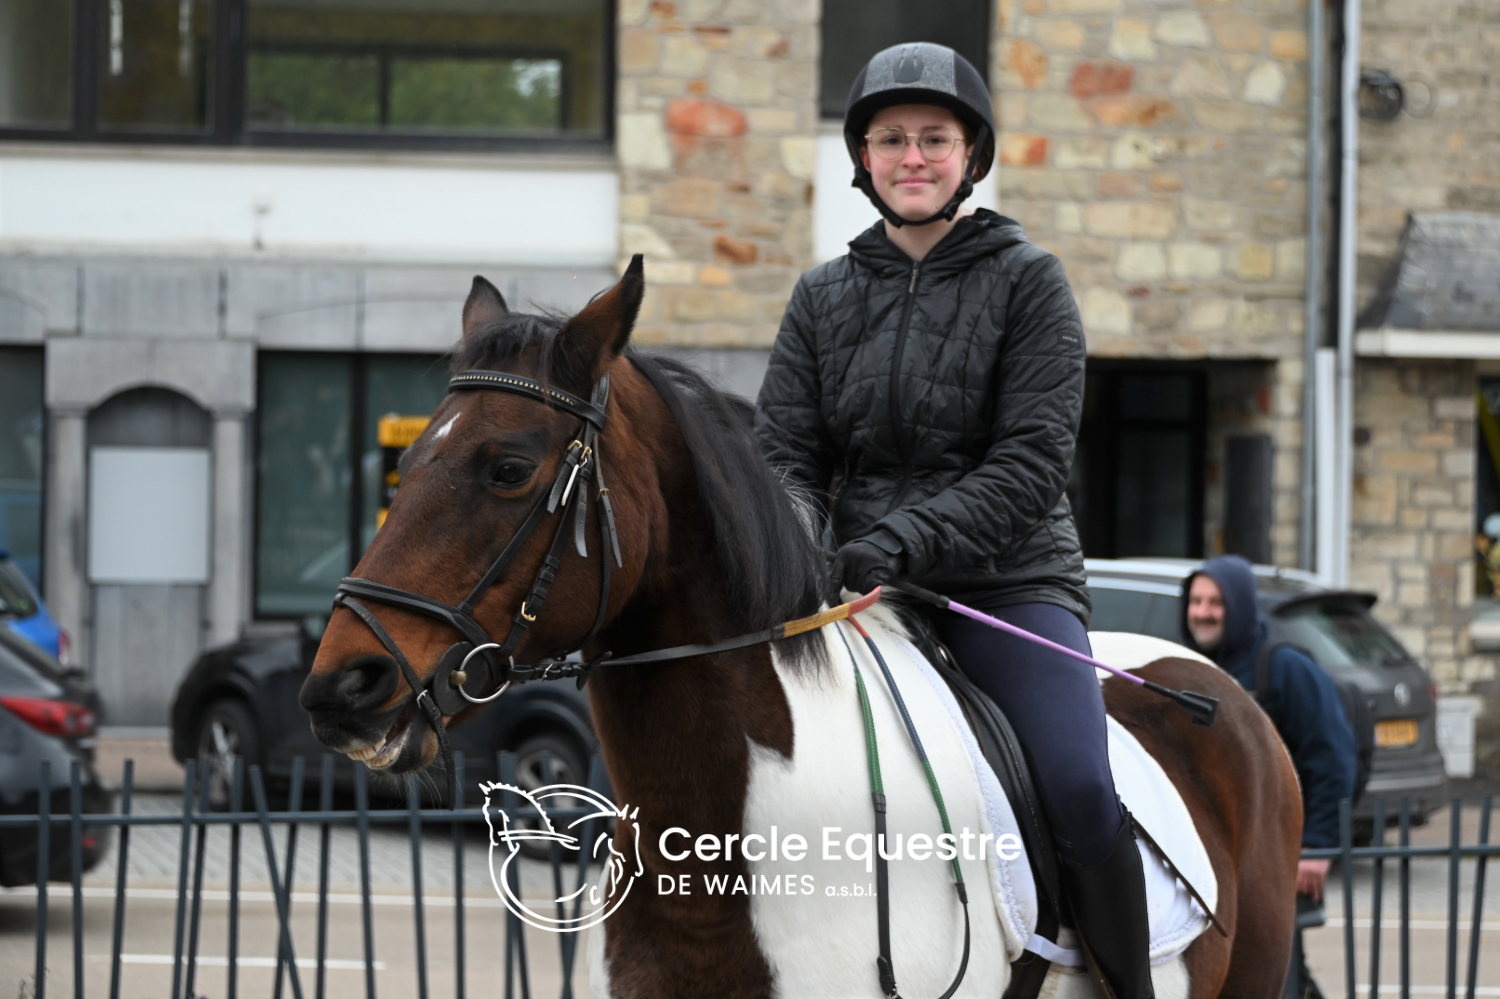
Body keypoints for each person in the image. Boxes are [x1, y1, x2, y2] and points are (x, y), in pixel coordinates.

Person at [754, 41, 1154, 999]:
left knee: (1077, 783)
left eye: (934, 138)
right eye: (891, 139)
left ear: (971, 154)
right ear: (864, 159)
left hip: (1003, 582)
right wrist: (804, 548)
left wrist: (900, 541)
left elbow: (1031, 464)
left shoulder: (1029, 281)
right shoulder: (821, 295)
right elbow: (784, 458)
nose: (913, 157)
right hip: (853, 589)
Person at [1179, 555, 1359, 999]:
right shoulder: (1186, 668)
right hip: (1218, 858)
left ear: (1239, 606)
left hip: (1276, 853)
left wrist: (1318, 846)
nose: (1202, 612)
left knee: (1276, 971)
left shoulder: (1284, 668)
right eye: (1196, 601)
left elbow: (1333, 758)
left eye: (1215, 602)